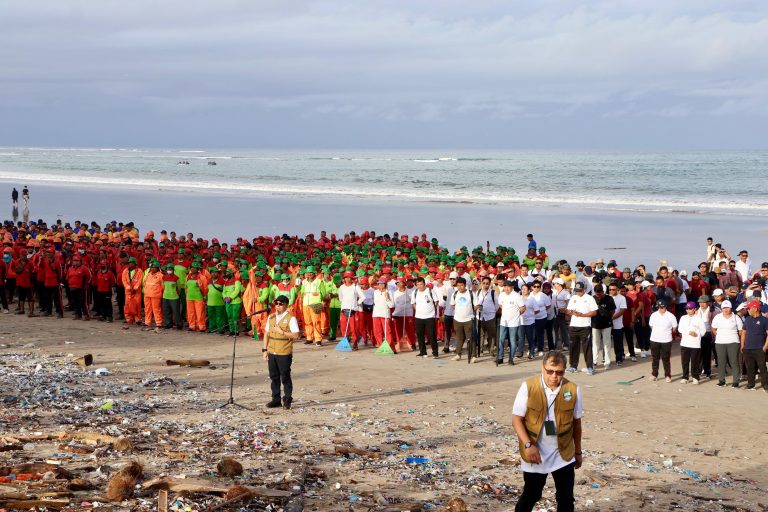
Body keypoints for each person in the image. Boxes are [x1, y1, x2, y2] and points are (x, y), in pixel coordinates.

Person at [512, 351, 582, 512]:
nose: (554, 376)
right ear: (542, 368)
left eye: (559, 372)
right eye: (550, 371)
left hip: (563, 452)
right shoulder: (528, 387)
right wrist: (528, 445)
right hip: (536, 452)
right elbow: (516, 420)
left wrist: (578, 452)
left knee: (566, 499)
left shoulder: (572, 390)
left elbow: (577, 424)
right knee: (532, 494)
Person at [262, 295, 300, 410]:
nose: (277, 306)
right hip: (272, 350)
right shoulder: (271, 317)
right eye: (276, 304)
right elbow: (266, 334)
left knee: (285, 376)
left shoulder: (291, 318)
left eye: (280, 304)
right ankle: (276, 399)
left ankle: (287, 399)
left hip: (284, 351)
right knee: (274, 377)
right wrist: (264, 350)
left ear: (286, 305)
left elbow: (296, 335)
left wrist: (282, 332)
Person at [565, 282, 597, 375]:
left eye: (580, 290)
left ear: (584, 289)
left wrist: (582, 315)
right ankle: (573, 366)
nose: (578, 292)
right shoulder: (573, 298)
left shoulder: (589, 298)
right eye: (577, 291)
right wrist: (571, 312)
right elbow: (568, 310)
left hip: (585, 326)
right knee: (573, 347)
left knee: (587, 347)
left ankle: (590, 367)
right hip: (573, 325)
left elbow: (594, 312)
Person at [711, 300, 743, 388]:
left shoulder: (736, 317)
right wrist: (718, 335)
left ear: (731, 308)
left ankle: (736, 381)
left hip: (733, 341)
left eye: (727, 307)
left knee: (734, 361)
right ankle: (722, 381)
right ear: (721, 309)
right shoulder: (717, 317)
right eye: (724, 308)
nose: (725, 309)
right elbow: (713, 328)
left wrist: (732, 335)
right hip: (720, 342)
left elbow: (740, 331)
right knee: (721, 362)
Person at [739, 301, 768, 391]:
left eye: (749, 308)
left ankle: (765, 385)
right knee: (750, 367)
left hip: (759, 348)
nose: (747, 310)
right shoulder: (747, 319)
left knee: (762, 367)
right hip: (748, 348)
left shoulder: (764, 320)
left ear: (755, 308)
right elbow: (744, 332)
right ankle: (751, 384)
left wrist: (765, 346)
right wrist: (742, 345)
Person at [411, 276, 441, 358]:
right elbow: (413, 303)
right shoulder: (415, 292)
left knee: (432, 335)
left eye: (421, 284)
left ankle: (435, 352)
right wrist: (417, 310)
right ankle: (423, 352)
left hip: (429, 316)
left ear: (424, 284)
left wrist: (432, 310)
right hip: (419, 317)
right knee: (420, 335)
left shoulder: (430, 291)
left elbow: (436, 301)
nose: (420, 286)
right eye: (418, 284)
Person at [497, 279, 525, 366]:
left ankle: (511, 359)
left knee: (512, 341)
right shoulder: (501, 295)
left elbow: (523, 308)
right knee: (501, 340)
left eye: (508, 286)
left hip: (513, 322)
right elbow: (501, 305)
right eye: (505, 286)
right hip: (503, 322)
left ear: (512, 287)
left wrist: (516, 315)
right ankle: (500, 357)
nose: (506, 288)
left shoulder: (517, 296)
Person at [648, 301, 677, 382]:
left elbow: (674, 327)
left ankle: (667, 375)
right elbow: (651, 325)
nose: (661, 309)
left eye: (663, 307)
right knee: (655, 358)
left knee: (666, 358)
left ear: (666, 307)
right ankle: (654, 374)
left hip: (666, 340)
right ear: (658, 307)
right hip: (654, 339)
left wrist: (666, 333)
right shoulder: (654, 315)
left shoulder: (671, 316)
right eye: (660, 307)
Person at [678, 301, 705, 384]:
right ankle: (685, 377)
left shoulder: (699, 319)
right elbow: (680, 329)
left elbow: (703, 331)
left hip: (695, 344)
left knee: (695, 361)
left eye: (690, 308)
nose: (688, 310)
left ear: (694, 309)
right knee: (685, 361)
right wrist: (689, 332)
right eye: (687, 309)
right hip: (685, 343)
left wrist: (697, 334)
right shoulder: (683, 318)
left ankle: (695, 377)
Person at [591, 285, 616, 371]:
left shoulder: (609, 298)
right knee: (595, 344)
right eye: (597, 293)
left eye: (600, 293)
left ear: (603, 291)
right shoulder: (592, 299)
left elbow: (613, 310)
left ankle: (607, 362)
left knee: (607, 343)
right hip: (595, 324)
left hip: (606, 324)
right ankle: (594, 361)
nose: (598, 295)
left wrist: (609, 318)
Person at [450, 276, 474, 361]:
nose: (459, 287)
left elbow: (476, 305)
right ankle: (458, 354)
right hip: (457, 319)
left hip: (468, 320)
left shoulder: (471, 293)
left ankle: (473, 355)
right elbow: (452, 305)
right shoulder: (455, 294)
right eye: (458, 285)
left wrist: (469, 311)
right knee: (459, 338)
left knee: (470, 338)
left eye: (461, 285)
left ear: (465, 285)